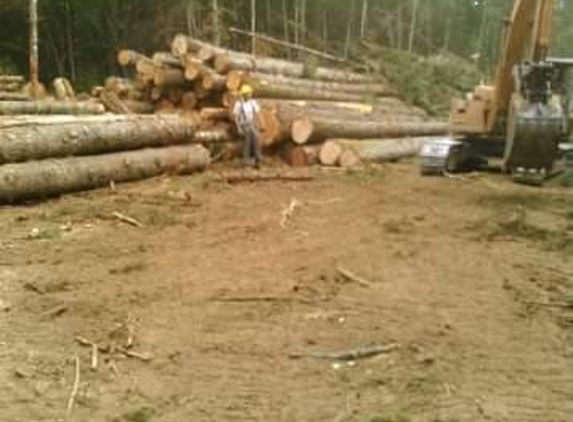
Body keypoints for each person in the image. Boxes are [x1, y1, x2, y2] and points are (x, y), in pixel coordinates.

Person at [233, 85, 263, 167]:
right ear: (244, 94)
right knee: (248, 137)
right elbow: (236, 117)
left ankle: (257, 158)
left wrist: (261, 124)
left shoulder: (253, 102)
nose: (250, 95)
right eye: (248, 93)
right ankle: (246, 159)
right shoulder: (238, 104)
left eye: (250, 93)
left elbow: (257, 114)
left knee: (256, 137)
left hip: (252, 123)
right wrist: (238, 128)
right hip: (244, 124)